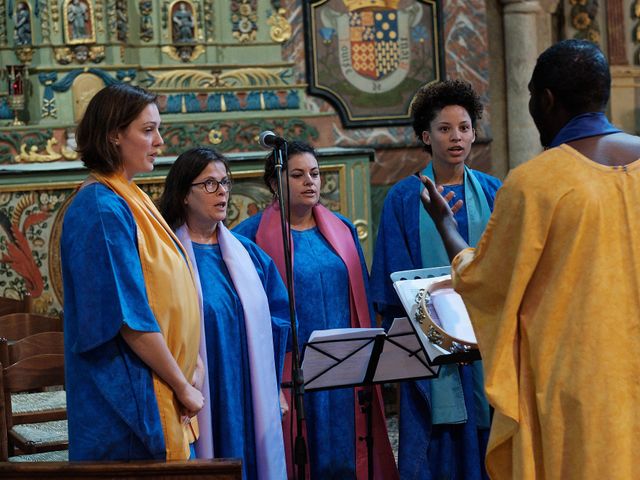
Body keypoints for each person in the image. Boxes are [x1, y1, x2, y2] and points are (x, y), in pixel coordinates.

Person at [420, 39, 640, 480]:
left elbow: (485, 283)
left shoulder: (536, 183)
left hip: (579, 385)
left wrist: (446, 226)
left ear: (546, 100)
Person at [234, 141, 398, 479]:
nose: (310, 181)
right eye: (297, 175)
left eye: (315, 173)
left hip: (345, 367)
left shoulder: (342, 230)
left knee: (347, 454)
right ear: (274, 183)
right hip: (291, 375)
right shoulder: (248, 239)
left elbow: (362, 301)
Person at [61, 83, 204, 461]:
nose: (159, 141)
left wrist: (193, 363)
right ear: (113, 135)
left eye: (158, 129)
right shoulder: (100, 208)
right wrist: (180, 382)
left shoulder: (130, 194)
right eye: (147, 130)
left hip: (160, 381)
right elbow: (128, 317)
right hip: (127, 399)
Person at [370, 79, 502, 479]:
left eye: (463, 127)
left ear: (474, 133)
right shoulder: (404, 198)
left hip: (487, 340)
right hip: (430, 344)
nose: (456, 137)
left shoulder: (495, 192)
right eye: (444, 129)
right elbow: (394, 280)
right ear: (426, 136)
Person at [158, 147, 289, 480]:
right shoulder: (167, 258)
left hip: (249, 388)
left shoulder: (250, 256)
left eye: (225, 183)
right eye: (209, 184)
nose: (222, 192)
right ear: (184, 195)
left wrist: (275, 387)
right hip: (198, 390)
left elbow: (278, 321)